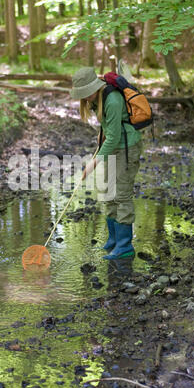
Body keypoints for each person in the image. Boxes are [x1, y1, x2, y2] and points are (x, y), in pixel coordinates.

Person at [70, 67, 142, 259]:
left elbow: (115, 136)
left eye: (86, 93)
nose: (85, 98)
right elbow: (109, 129)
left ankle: (125, 246)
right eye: (82, 95)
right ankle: (113, 239)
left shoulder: (112, 99)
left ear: (94, 86)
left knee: (122, 195)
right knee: (108, 192)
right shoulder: (95, 99)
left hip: (127, 147)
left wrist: (93, 163)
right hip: (112, 146)